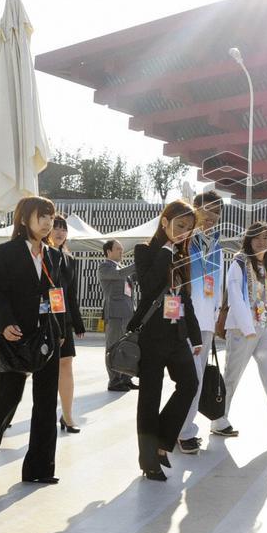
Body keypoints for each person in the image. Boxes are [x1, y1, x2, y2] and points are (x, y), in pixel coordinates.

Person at [0, 196, 66, 484]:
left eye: (51, 217)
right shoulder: (6, 252)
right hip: (15, 334)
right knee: (9, 396)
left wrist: (60, 331)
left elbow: (58, 297)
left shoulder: (54, 256)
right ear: (25, 219)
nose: (49, 223)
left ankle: (40, 469)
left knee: (47, 402)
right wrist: (6, 322)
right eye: (42, 216)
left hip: (47, 337)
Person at [210, 221, 267, 445]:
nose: (262, 242)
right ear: (249, 241)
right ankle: (218, 420)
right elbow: (235, 295)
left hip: (264, 328)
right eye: (257, 238)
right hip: (242, 330)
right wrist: (247, 328)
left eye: (265, 238)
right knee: (231, 377)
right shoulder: (239, 263)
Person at [130, 200, 203, 480]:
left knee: (190, 384)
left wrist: (195, 336)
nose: (184, 232)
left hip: (177, 334)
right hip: (150, 336)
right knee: (150, 397)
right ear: (165, 222)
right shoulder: (146, 251)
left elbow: (185, 299)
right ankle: (148, 459)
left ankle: (161, 441)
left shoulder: (183, 257)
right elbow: (148, 286)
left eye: (188, 228)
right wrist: (165, 251)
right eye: (179, 225)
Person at [178, 190, 225, 452]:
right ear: (195, 210)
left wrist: (217, 316)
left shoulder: (216, 244)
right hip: (186, 321)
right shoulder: (186, 239)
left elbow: (216, 285)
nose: (211, 216)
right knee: (190, 379)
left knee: (193, 379)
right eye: (206, 210)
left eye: (217, 212)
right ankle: (183, 431)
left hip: (206, 322)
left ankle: (181, 428)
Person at [46, 214, 87, 433]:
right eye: (56, 227)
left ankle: (68, 416)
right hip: (43, 318)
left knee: (66, 365)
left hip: (64, 320)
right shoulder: (41, 255)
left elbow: (71, 294)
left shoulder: (69, 259)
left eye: (63, 229)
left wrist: (78, 322)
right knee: (28, 369)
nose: (60, 232)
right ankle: (7, 411)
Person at [99, 239, 138, 391]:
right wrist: (136, 264)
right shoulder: (105, 267)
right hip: (115, 314)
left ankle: (126, 378)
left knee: (128, 346)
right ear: (108, 251)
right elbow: (120, 274)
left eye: (122, 249)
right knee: (113, 347)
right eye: (118, 249)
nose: (122, 252)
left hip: (128, 313)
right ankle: (114, 381)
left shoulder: (120, 268)